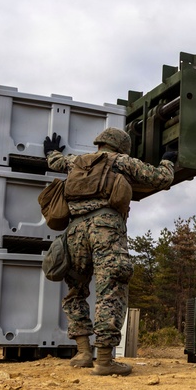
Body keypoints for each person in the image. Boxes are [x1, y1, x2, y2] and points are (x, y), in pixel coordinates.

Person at [44, 127, 175, 376]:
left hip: (74, 231)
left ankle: (83, 352)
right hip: (106, 228)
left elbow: (55, 161)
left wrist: (50, 151)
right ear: (121, 146)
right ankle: (104, 359)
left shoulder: (77, 161)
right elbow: (161, 178)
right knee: (111, 289)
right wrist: (168, 159)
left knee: (75, 291)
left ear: (100, 143)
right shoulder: (122, 161)